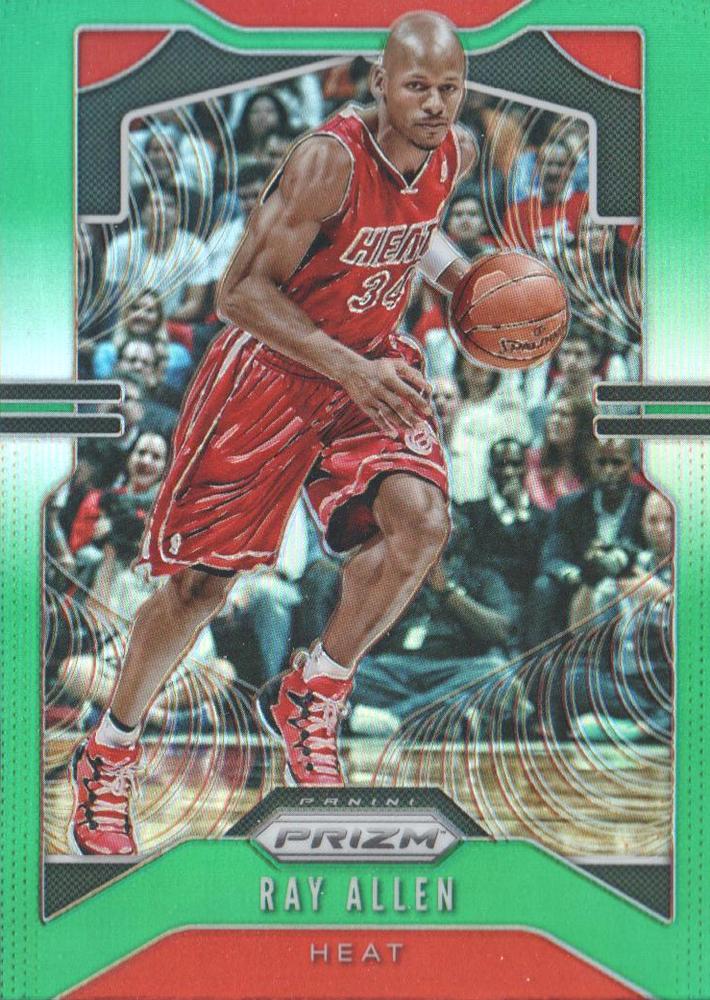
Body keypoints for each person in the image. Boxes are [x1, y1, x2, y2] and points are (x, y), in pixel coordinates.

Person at [70, 11, 482, 855]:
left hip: (367, 364)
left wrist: (471, 284)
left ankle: (314, 694)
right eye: (417, 87)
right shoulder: (329, 161)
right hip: (272, 372)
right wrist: (349, 368)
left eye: (449, 88)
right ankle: (108, 754)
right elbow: (239, 294)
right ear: (379, 83)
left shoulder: (456, 153)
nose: (435, 105)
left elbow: (413, 233)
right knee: (200, 589)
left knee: (423, 523)